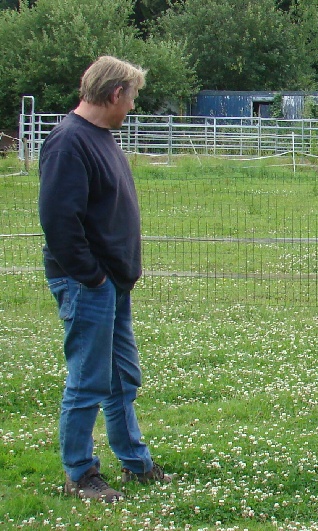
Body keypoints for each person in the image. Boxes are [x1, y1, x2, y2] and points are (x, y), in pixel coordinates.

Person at [38, 56, 171, 503]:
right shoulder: (69, 142)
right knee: (88, 380)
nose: (132, 107)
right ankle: (80, 472)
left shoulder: (101, 137)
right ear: (116, 94)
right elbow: (59, 221)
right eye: (132, 98)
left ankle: (135, 461)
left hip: (112, 283)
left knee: (121, 378)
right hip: (88, 284)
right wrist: (92, 278)